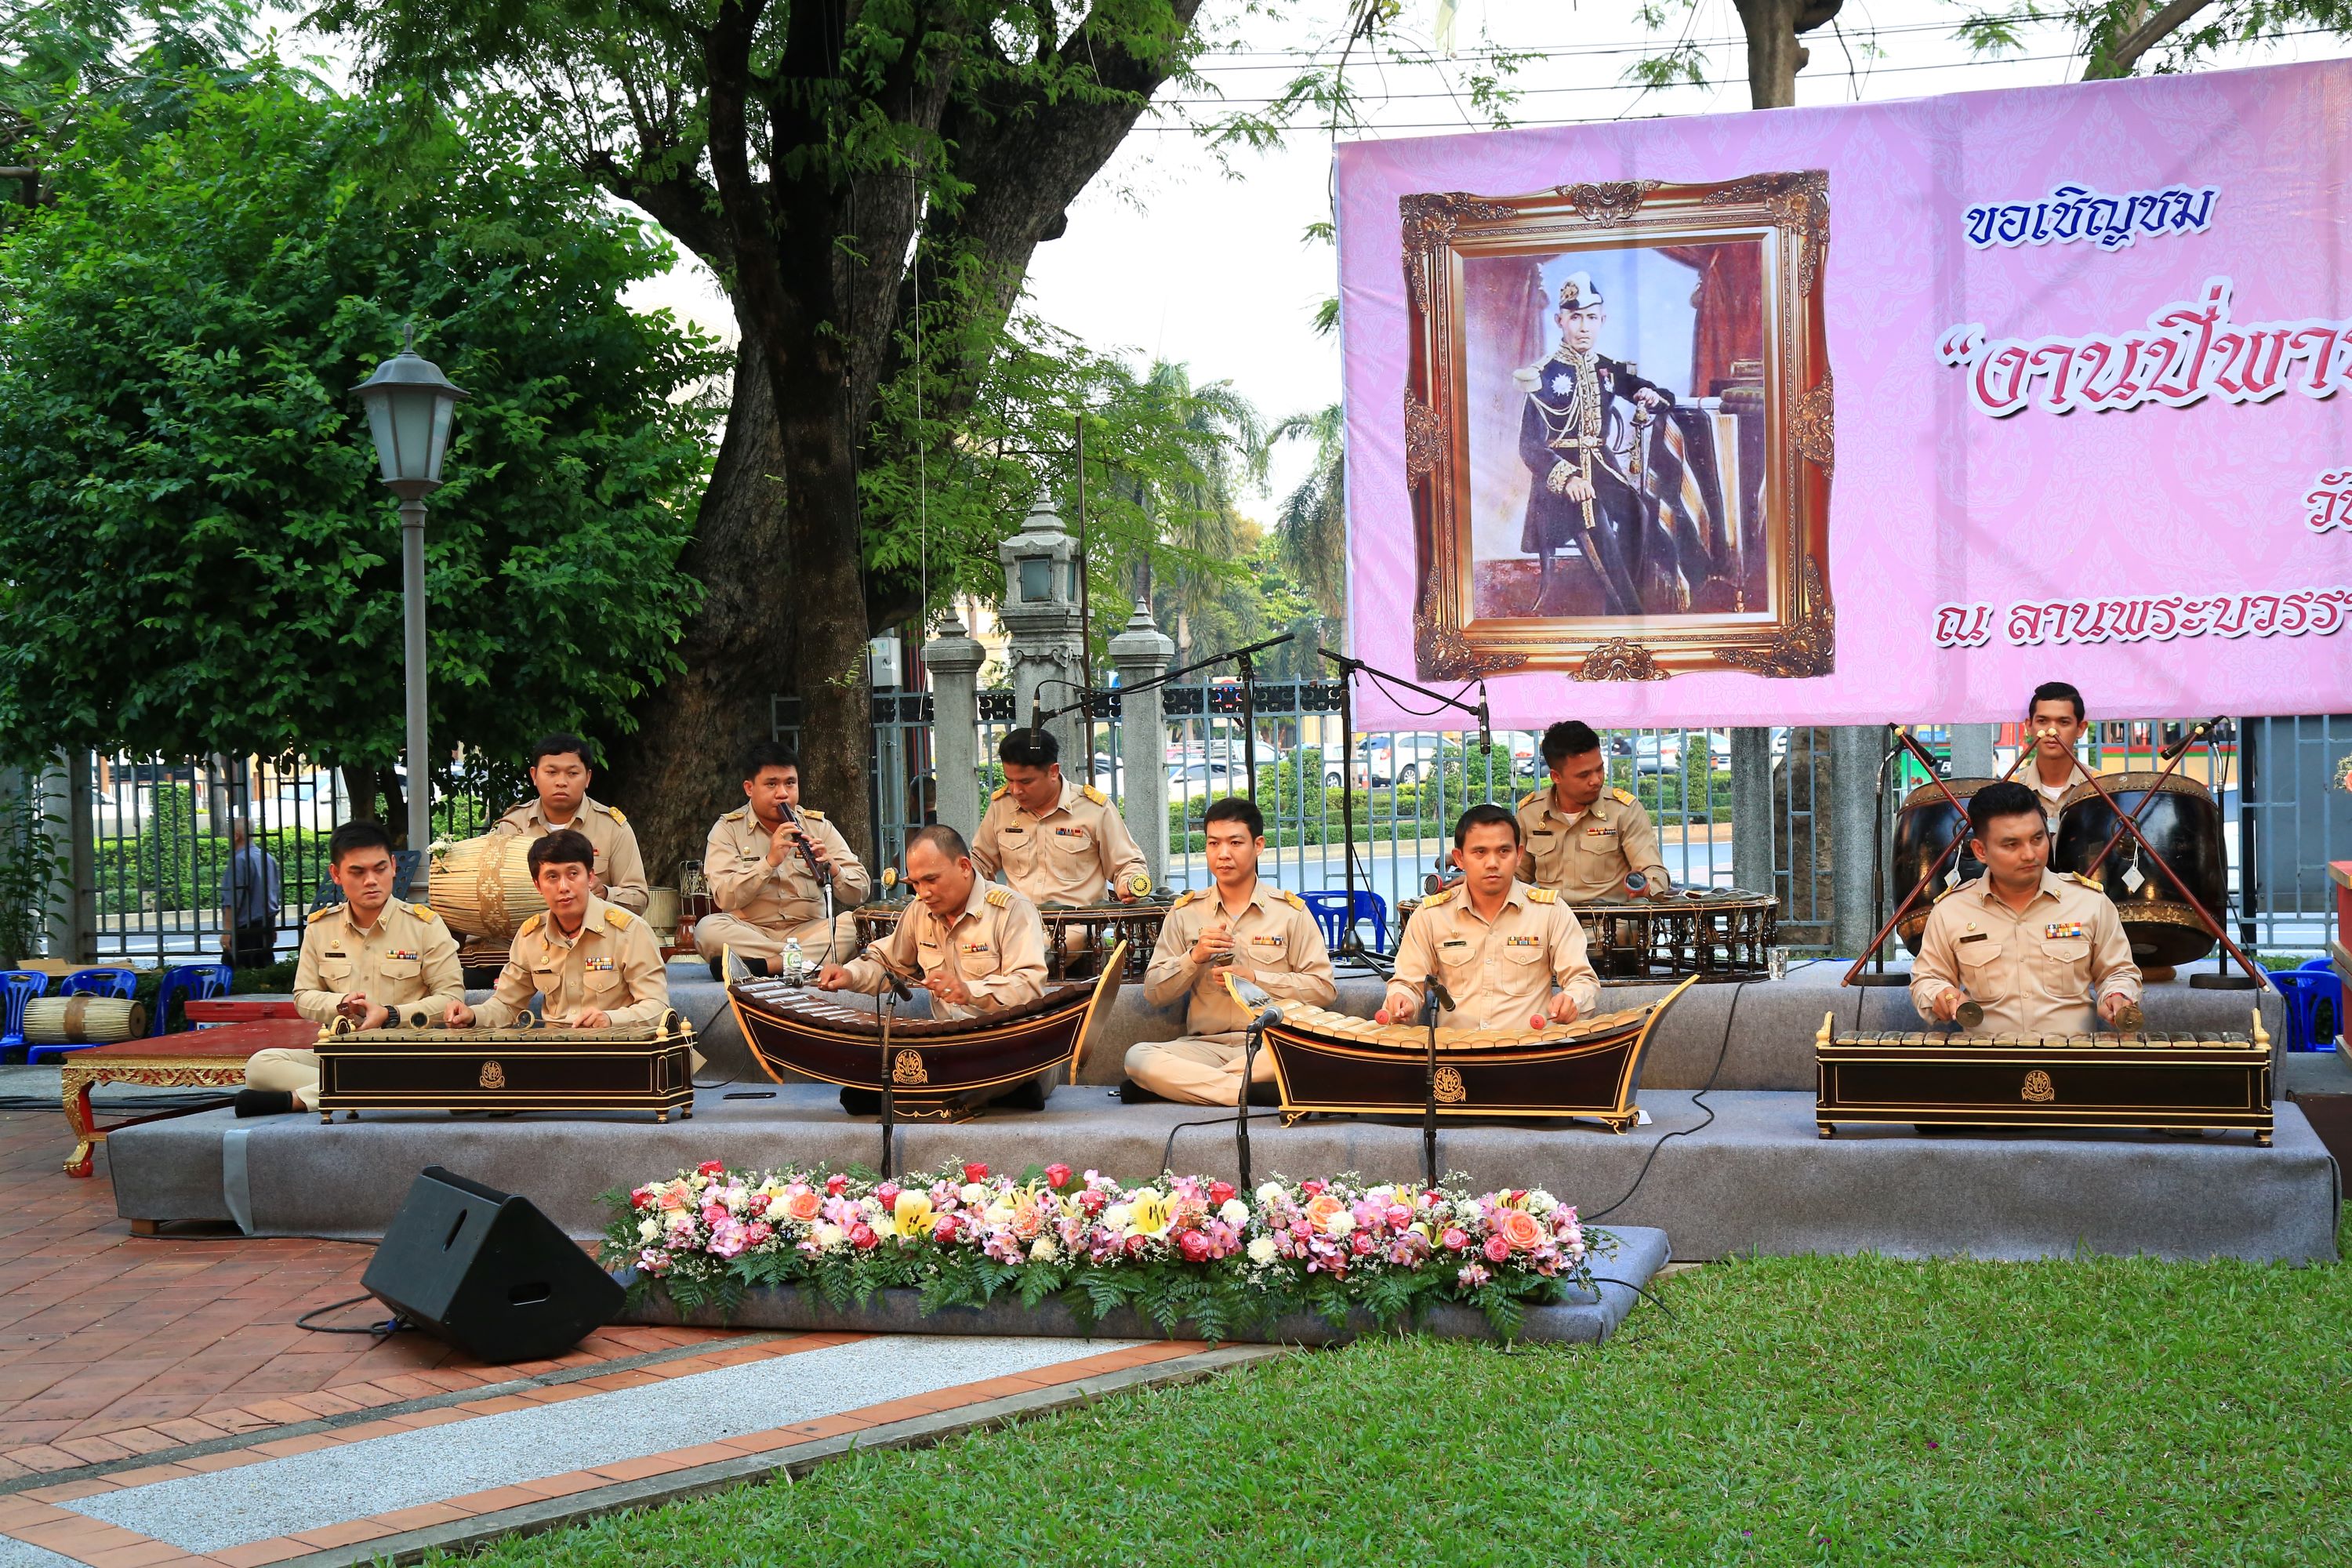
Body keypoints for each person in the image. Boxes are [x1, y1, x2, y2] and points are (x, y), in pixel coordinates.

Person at [817, 825, 1051, 1114]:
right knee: (877, 1070)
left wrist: (969, 991)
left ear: (964, 867)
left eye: (931, 880)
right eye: (915, 883)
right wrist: (850, 975)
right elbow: (887, 964)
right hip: (951, 1048)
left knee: (882, 1091)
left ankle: (925, 1096)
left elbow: (1029, 986)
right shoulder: (920, 910)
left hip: (1010, 1045)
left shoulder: (1012, 909)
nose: (923, 892)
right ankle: (993, 1095)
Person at [1123, 798, 1337, 1105]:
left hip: (1271, 1044)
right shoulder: (1185, 913)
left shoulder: (1291, 913)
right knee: (1138, 1058)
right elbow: (1155, 993)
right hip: (1206, 1047)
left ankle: (1198, 1086)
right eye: (1214, 843)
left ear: (1258, 845)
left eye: (1235, 843)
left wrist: (1255, 979)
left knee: (1314, 1055)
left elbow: (1324, 989)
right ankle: (1248, 1092)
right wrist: (1193, 958)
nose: (1223, 854)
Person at [239, 822, 462, 1116]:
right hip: (342, 1053)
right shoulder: (321, 927)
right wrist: (341, 1004)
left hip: (405, 1053)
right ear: (336, 874)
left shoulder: (425, 926)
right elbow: (303, 996)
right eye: (357, 872)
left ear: (393, 867)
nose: (371, 881)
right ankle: (372, 1090)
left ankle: (301, 1099)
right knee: (260, 1065)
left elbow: (451, 999)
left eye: (380, 869)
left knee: (422, 1072)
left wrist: (391, 1014)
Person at [1909, 780, 2141, 1036]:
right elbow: (1927, 979)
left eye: (2037, 839)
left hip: (2071, 1054)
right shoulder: (1952, 911)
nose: (2030, 854)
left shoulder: (2089, 903)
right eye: (2012, 844)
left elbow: (2118, 971)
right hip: (1988, 1056)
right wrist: (1941, 994)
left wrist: (2118, 994)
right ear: (1980, 850)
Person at [1517, 270, 1675, 617]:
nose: (1584, 327)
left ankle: (1616, 614)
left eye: (1591, 318)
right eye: (1575, 317)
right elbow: (1529, 445)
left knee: (1637, 514)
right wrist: (1568, 479)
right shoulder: (1542, 375)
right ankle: (1632, 618)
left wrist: (1651, 395)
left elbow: (1654, 392)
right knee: (1598, 528)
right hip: (1561, 486)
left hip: (1602, 468)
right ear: (1560, 321)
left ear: (1603, 321)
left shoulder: (1608, 369)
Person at [1385, 804, 1599, 1030]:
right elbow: (1407, 982)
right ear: (1459, 858)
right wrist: (1403, 1000)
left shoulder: (1550, 911)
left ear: (1519, 855)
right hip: (1457, 1049)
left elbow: (1582, 979)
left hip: (1530, 1047)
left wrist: (1573, 1000)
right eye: (1480, 852)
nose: (1492, 863)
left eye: (1504, 851)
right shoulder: (1431, 916)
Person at [447, 829, 670, 1029]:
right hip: (554, 1052)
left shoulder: (630, 931)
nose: (563, 887)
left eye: (573, 874)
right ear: (537, 885)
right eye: (552, 877)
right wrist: (473, 1015)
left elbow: (657, 1007)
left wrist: (611, 1019)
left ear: (590, 877)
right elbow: (507, 1005)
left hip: (615, 1049)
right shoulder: (531, 935)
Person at [694, 742, 871, 979]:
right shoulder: (728, 830)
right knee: (707, 930)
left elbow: (860, 891)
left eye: (790, 783)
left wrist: (834, 869)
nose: (783, 793)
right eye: (771, 784)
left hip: (809, 930)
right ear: (749, 788)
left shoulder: (818, 826)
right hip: (752, 932)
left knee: (856, 925)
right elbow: (725, 896)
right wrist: (768, 863)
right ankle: (804, 962)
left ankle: (768, 966)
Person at [971, 728, 1148, 908]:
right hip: (1018, 922)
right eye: (1010, 780)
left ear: (1053, 772)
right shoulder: (1002, 807)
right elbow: (980, 861)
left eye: (1026, 782)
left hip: (1079, 923)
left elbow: (1127, 863)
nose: (1016, 790)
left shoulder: (1094, 809)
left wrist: (1129, 884)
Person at [487, 733, 648, 914]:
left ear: (587, 778)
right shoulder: (511, 826)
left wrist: (605, 893)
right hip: (524, 930)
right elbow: (489, 890)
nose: (561, 782)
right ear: (534, 775)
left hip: (592, 930)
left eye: (572, 773)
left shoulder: (611, 827)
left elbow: (638, 899)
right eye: (551, 772)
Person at [1513, 720, 1670, 901]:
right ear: (1556, 776)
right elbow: (1516, 876)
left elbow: (1653, 869)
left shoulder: (1623, 810)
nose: (1596, 780)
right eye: (1584, 775)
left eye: (1599, 769)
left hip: (1610, 917)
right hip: (1550, 918)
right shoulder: (1530, 813)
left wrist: (1647, 887)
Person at [2023, 681, 2089, 831]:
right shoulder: (2011, 789)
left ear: (2080, 728)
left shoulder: (2102, 788)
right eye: (2042, 721)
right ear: (2029, 726)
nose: (2052, 731)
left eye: (2064, 722)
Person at [217, 818, 282, 969]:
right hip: (265, 925)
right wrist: (272, 927)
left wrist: (227, 932)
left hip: (244, 929)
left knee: (238, 974)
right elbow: (272, 894)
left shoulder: (239, 861)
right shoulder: (266, 857)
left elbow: (232, 901)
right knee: (264, 972)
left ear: (236, 836)